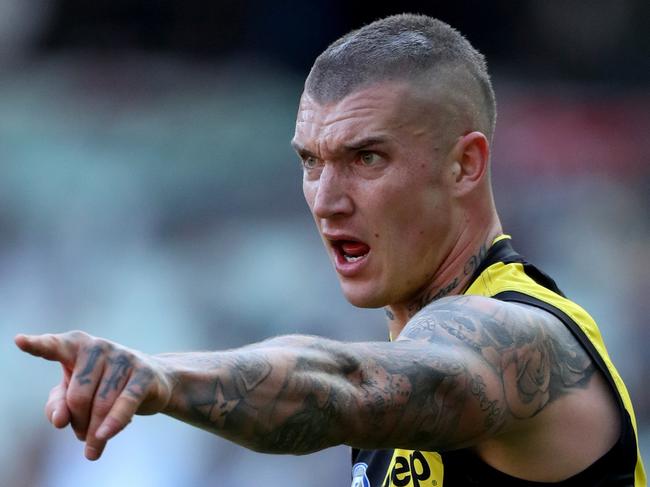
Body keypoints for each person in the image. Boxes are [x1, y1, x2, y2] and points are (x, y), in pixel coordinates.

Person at [15, 14, 645, 486]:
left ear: (465, 166)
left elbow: (350, 382)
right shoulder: (415, 346)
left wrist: (164, 378)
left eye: (366, 158)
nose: (325, 200)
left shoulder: (521, 336)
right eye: (311, 162)